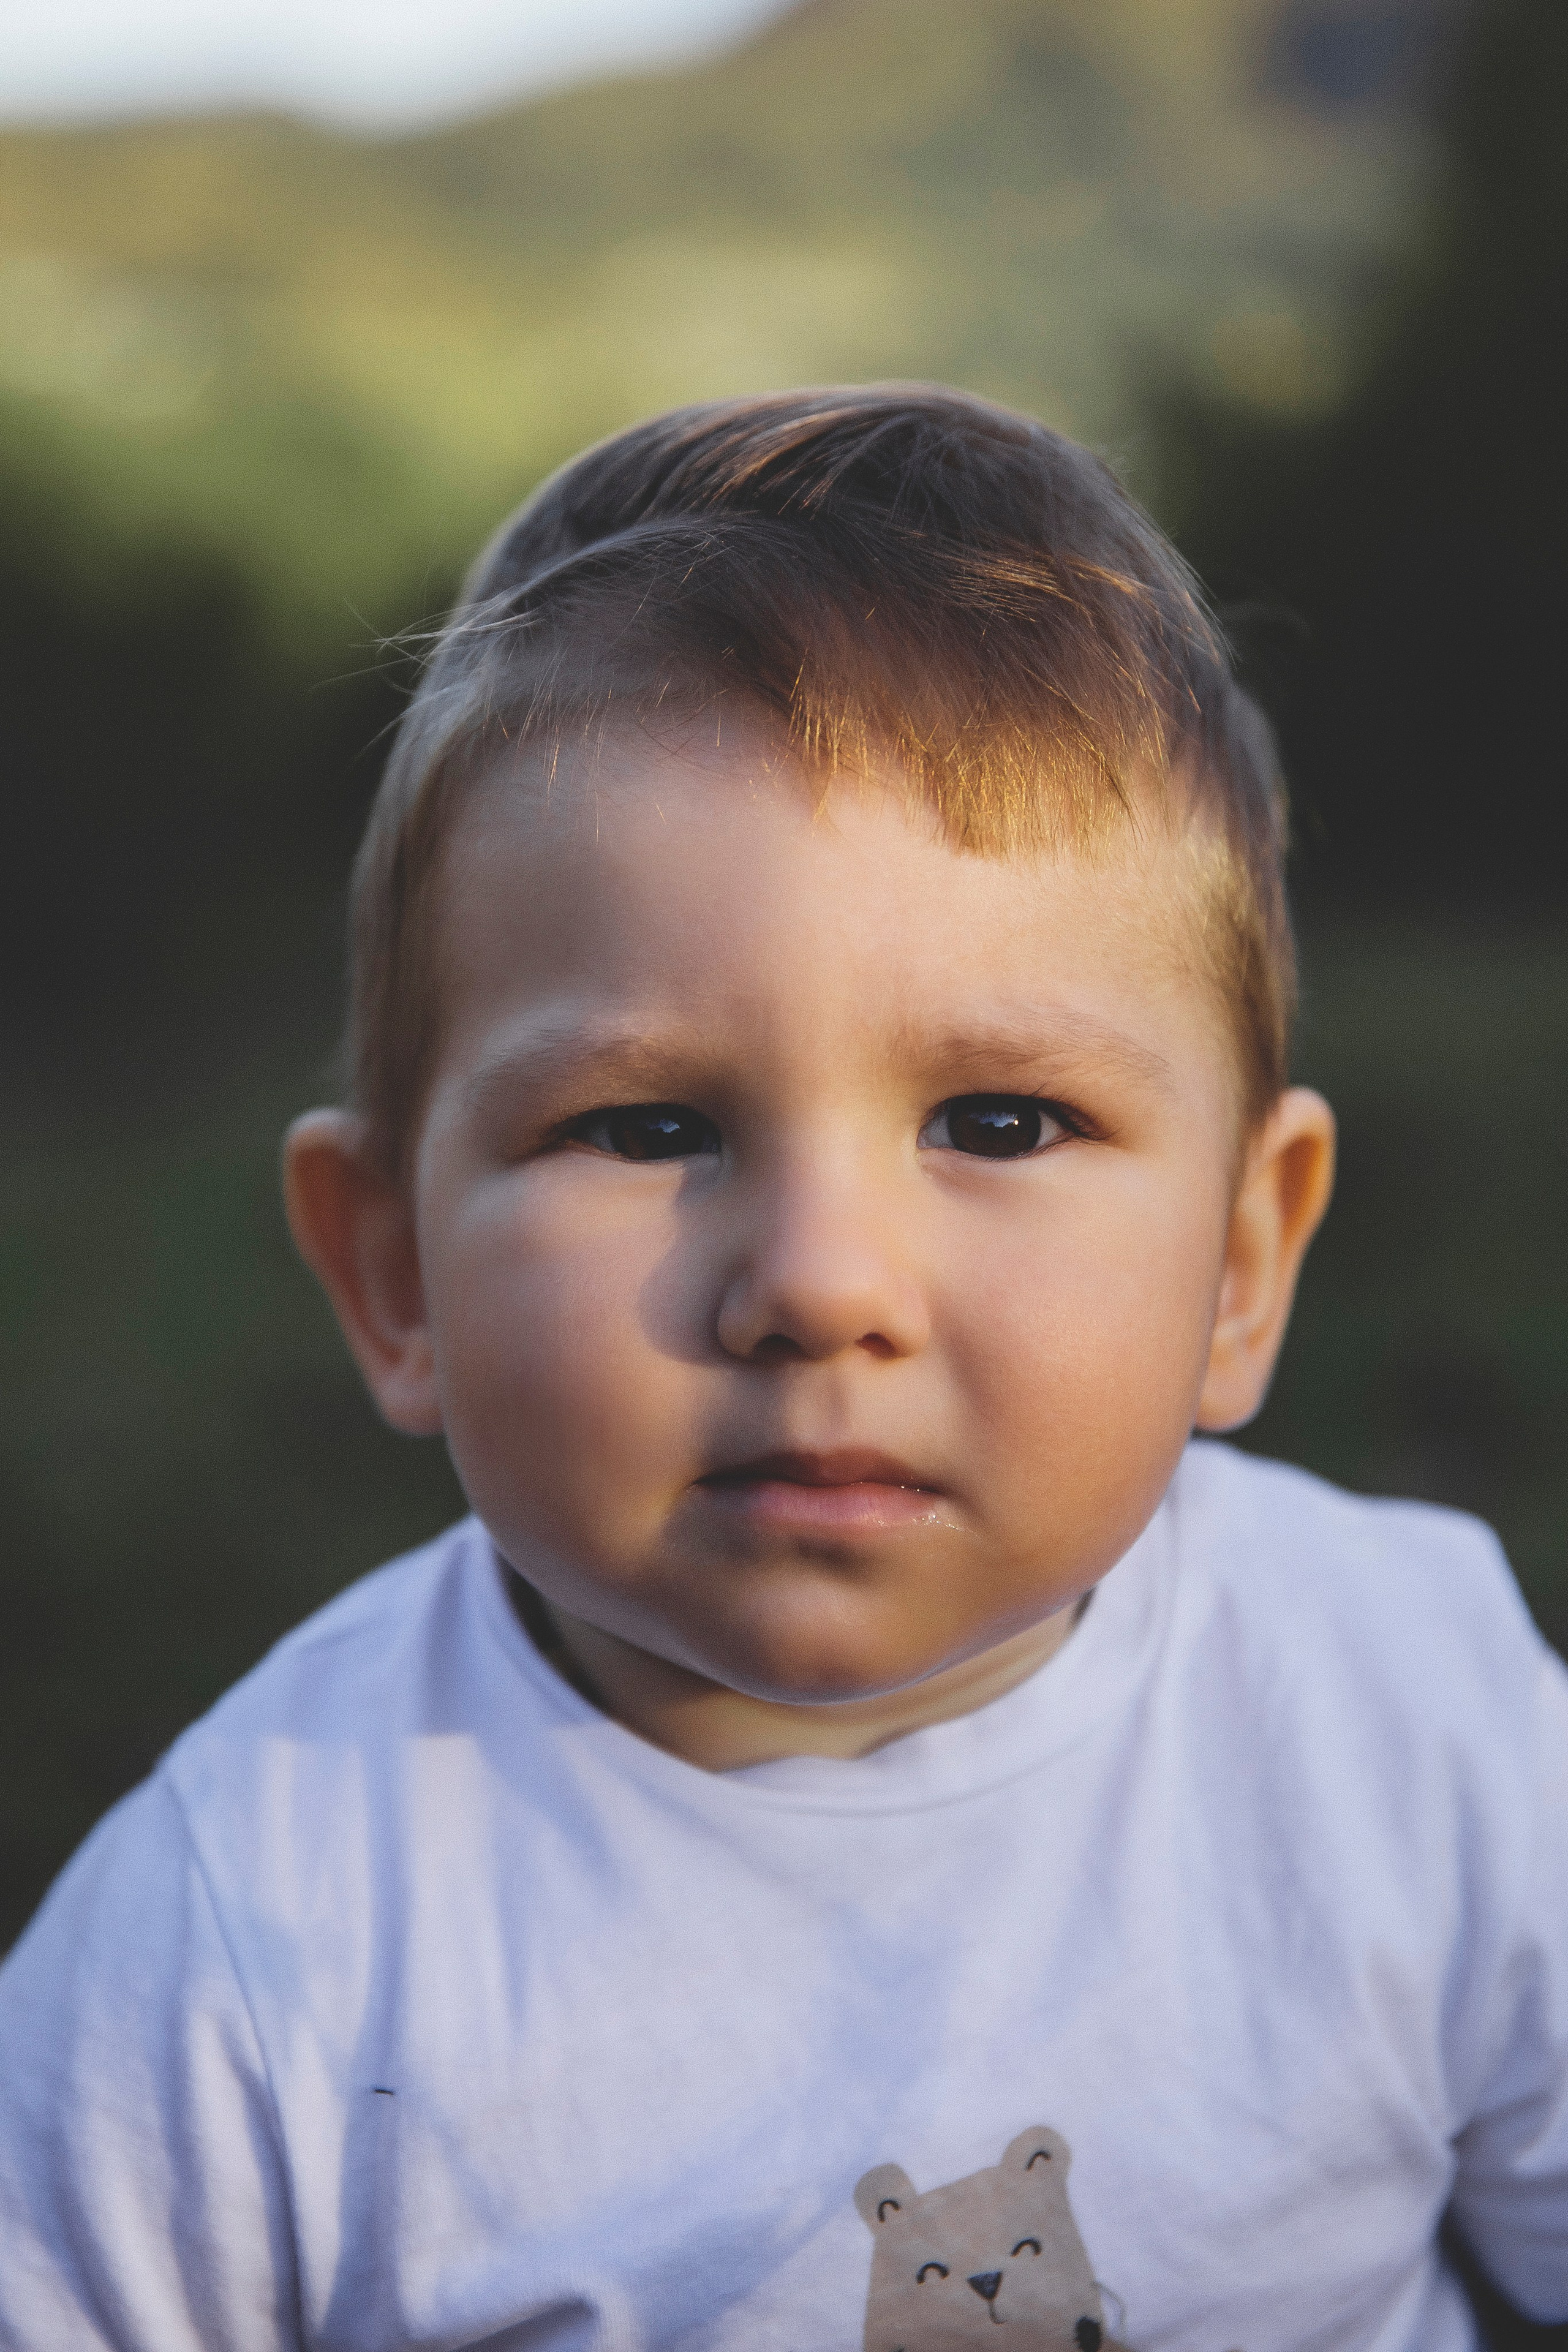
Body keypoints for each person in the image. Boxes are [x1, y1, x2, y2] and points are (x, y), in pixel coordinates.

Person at [0, 386, 1562, 2352]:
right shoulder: (252, 1935)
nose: (822, 1286)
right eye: (650, 1129)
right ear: (391, 1271)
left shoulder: (1412, 1717)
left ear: (1245, 1262)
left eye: (998, 1123)